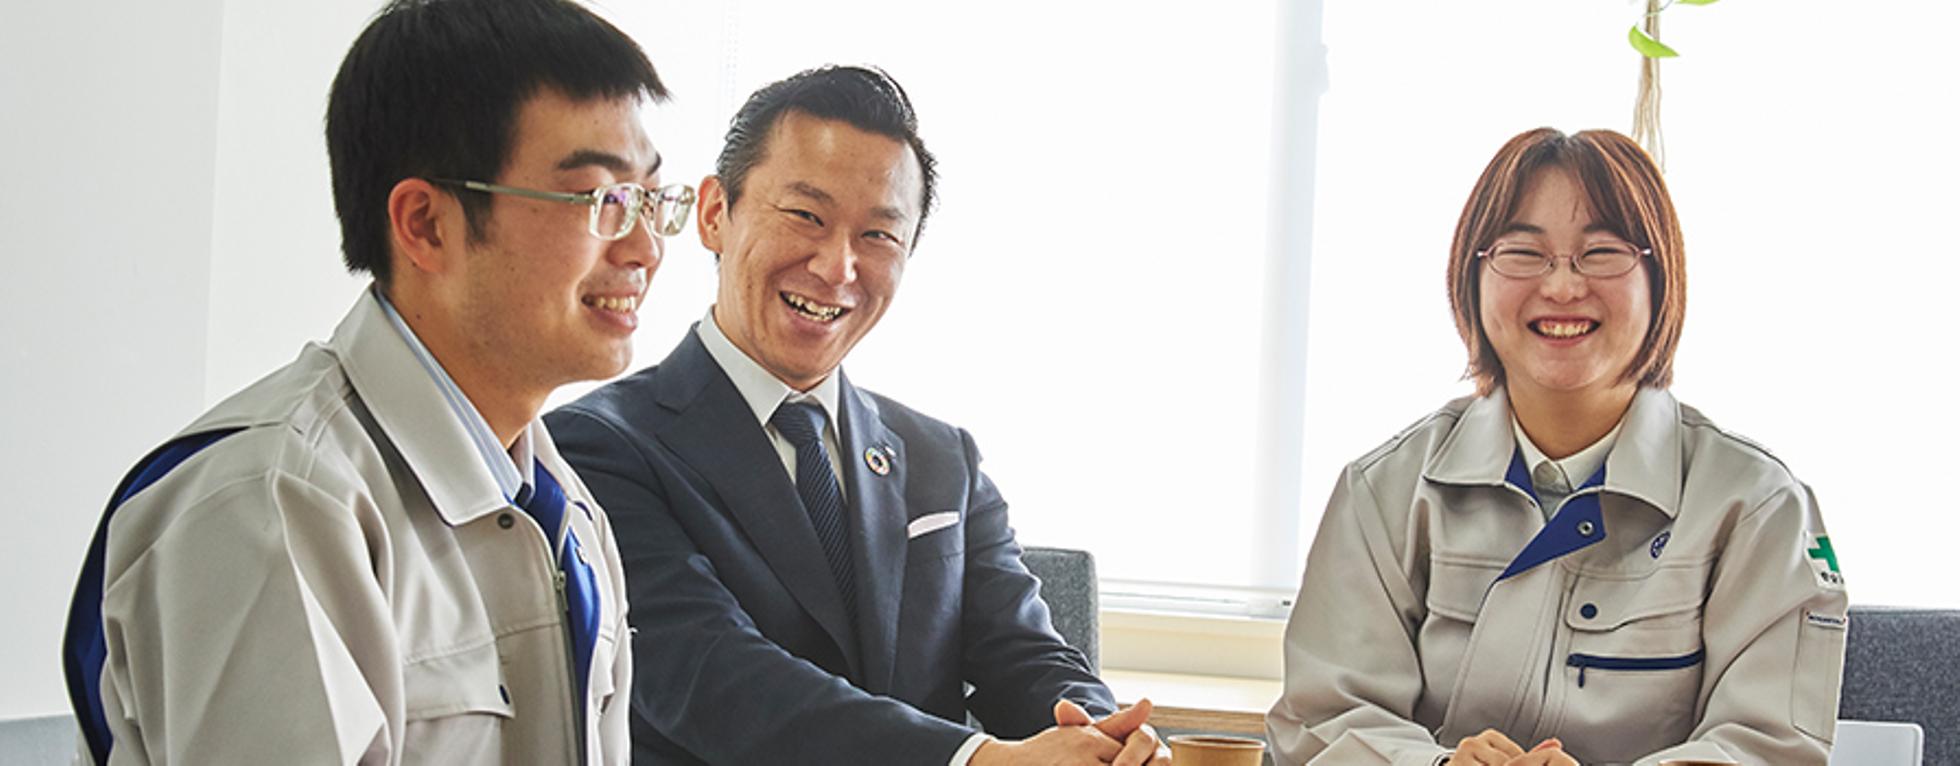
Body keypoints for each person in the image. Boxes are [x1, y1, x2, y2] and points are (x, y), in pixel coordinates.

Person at [60, 1, 686, 762]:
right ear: (425, 223)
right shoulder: (274, 504)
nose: (646, 247)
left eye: (651, 199)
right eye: (602, 200)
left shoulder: (563, 509)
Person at [545, 65, 1169, 766]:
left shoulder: (942, 459)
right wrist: (973, 761)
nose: (837, 267)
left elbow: (1024, 653)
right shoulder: (594, 449)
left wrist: (1106, 737)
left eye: (878, 235)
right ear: (716, 213)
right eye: (806, 216)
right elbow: (713, 678)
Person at [1264, 128, 1848, 766]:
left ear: (1660, 279)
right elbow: (1323, 723)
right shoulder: (1384, 491)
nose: (1564, 288)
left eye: (1602, 253)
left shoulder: (1758, 506)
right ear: (1472, 276)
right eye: (1524, 252)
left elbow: (1769, 747)